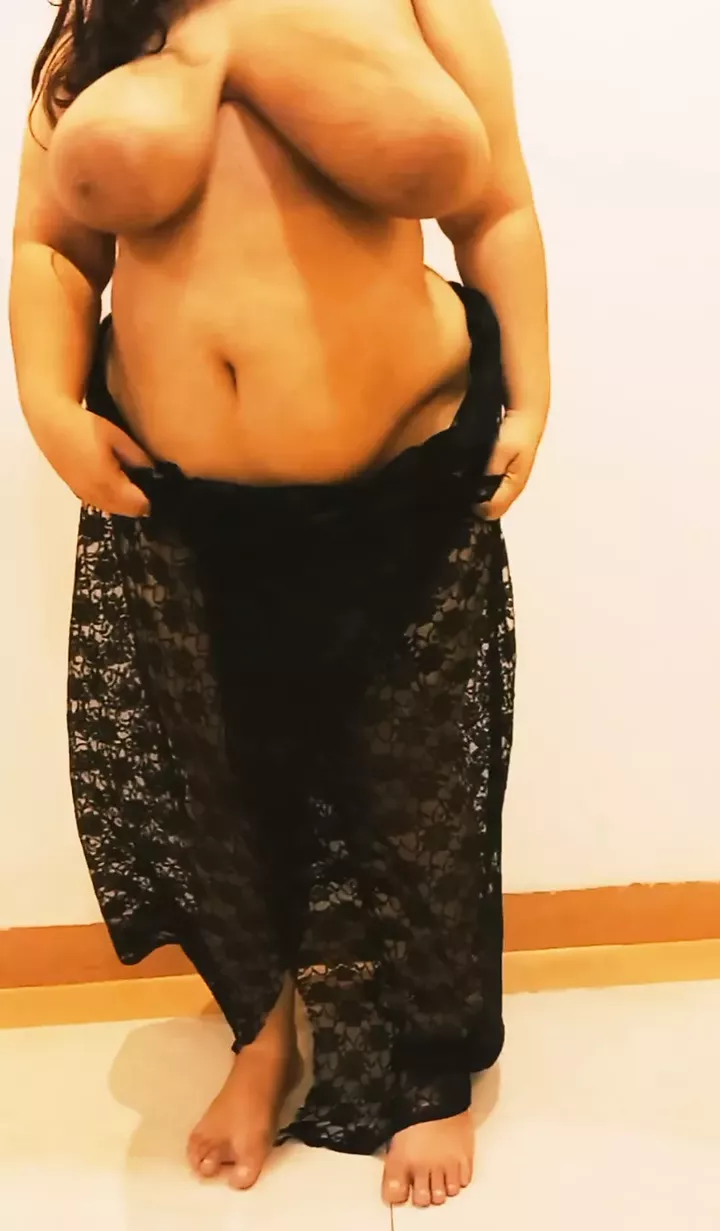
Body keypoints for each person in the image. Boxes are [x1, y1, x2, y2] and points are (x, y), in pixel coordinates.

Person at [10, 0, 549, 1210]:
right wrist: (48, 402)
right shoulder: (106, 11)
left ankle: (430, 1058)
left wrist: (535, 390)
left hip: (406, 473)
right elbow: (52, 245)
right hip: (179, 497)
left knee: (412, 783)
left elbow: (496, 208)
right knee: (221, 783)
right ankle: (262, 1033)